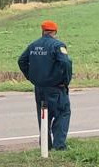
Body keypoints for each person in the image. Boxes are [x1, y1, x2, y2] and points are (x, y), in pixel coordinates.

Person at [18, 20, 73, 150]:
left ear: (42, 31)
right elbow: (65, 63)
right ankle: (59, 146)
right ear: (55, 32)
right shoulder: (57, 45)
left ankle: (45, 146)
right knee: (62, 113)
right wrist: (65, 80)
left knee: (43, 116)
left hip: (39, 88)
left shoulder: (33, 45)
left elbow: (21, 61)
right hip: (56, 88)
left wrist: (31, 76)